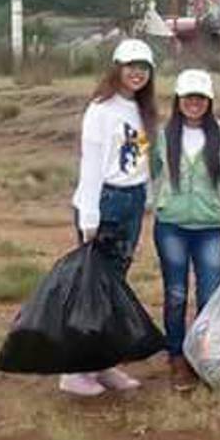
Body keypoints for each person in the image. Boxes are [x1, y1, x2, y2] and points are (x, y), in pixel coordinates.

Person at [63, 38, 158, 396]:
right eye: (131, 65)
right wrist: (90, 215)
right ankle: (75, 369)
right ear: (116, 67)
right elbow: (90, 166)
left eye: (144, 67)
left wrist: (145, 197)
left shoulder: (140, 109)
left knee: (113, 287)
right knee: (94, 290)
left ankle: (101, 363)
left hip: (131, 201)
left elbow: (141, 160)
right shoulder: (101, 110)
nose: (137, 73)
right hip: (106, 202)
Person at [151, 69, 220, 389]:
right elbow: (150, 170)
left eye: (200, 97)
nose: (194, 103)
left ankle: (202, 355)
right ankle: (176, 356)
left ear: (209, 100)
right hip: (172, 225)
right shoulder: (164, 135)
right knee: (176, 294)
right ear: (178, 99)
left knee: (210, 294)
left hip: (211, 228)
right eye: (188, 97)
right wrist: (158, 202)